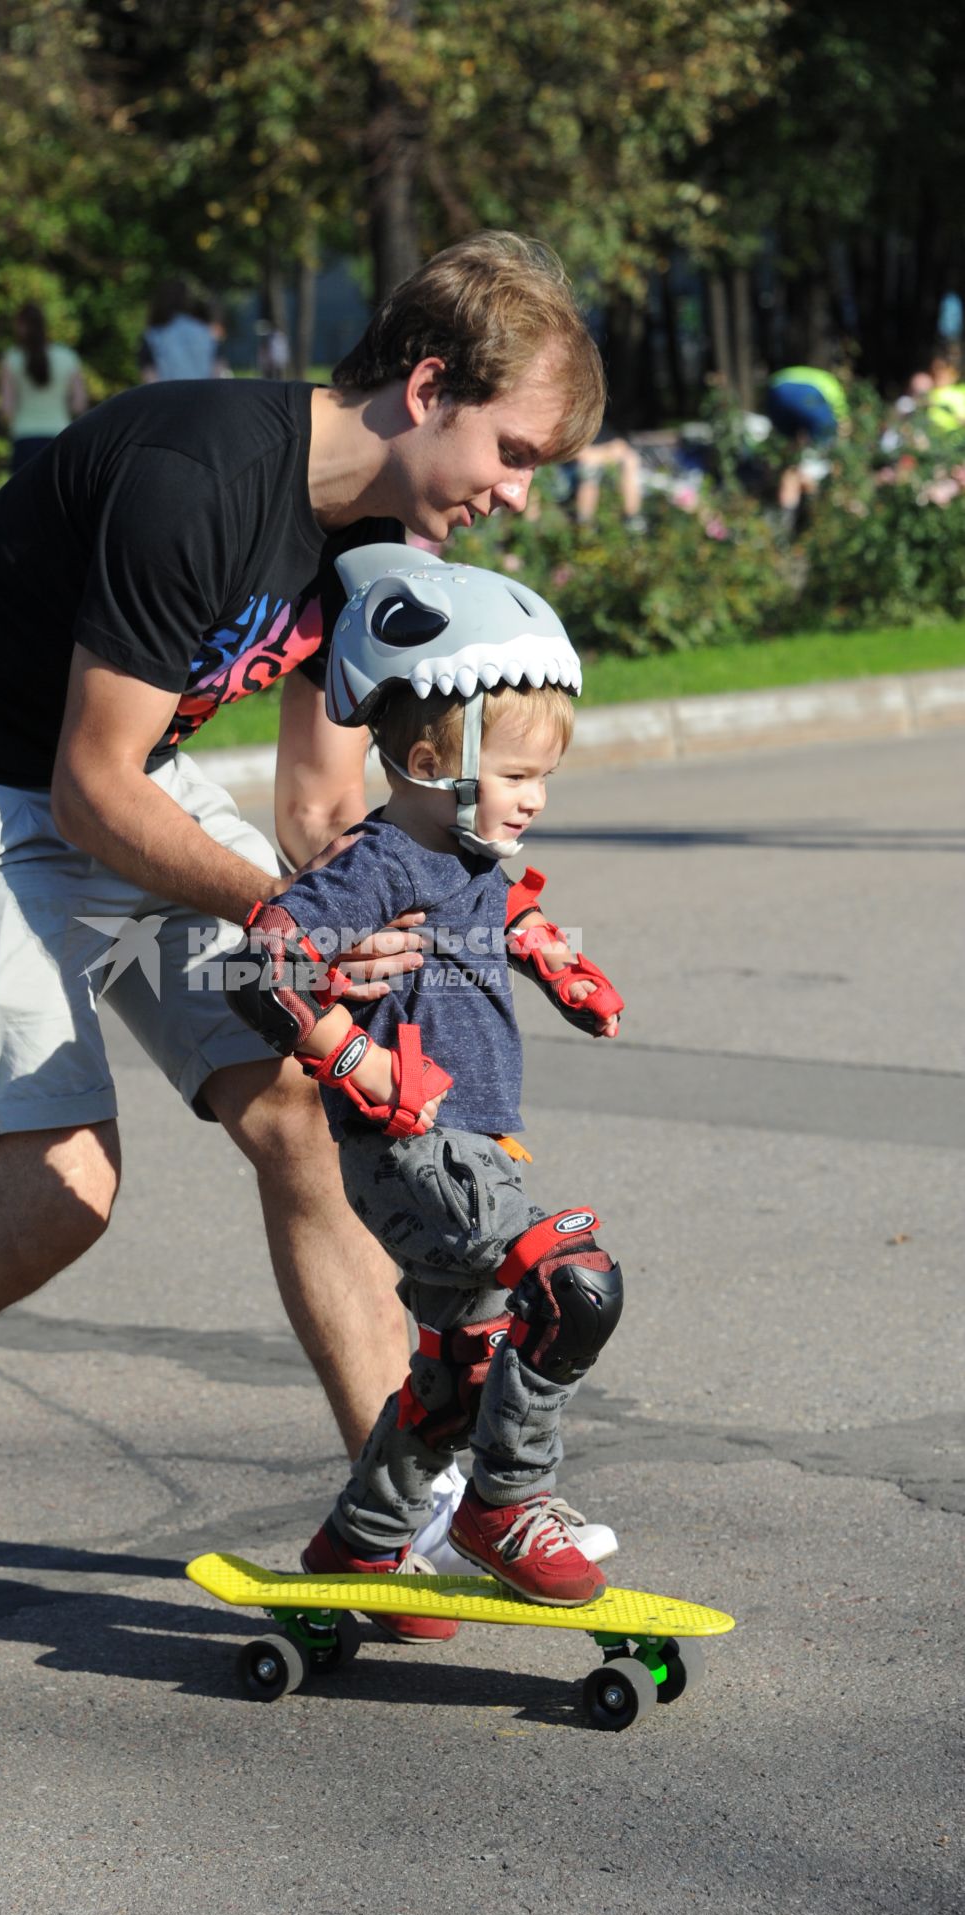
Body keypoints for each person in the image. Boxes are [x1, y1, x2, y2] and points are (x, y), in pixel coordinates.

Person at [0, 230, 607, 1657]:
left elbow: (318, 804)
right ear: (429, 385)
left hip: (115, 786)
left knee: (308, 1099)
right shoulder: (198, 479)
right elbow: (88, 788)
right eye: (516, 448)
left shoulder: (379, 542)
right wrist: (281, 923)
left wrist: (403, 934)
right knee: (59, 1190)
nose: (517, 488)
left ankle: (402, 1491)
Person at [223, 545, 625, 1637]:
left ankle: (360, 1541)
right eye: (520, 777)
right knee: (575, 1287)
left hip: (471, 1143)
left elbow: (493, 915)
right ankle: (505, 1505)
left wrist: (554, 959)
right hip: (412, 1149)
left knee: (456, 1375)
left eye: (544, 778)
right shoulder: (381, 864)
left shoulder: (460, 854)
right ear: (428, 758)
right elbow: (264, 958)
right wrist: (353, 1058)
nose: (537, 800)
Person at [0, 304, 88, 474]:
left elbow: (6, 409)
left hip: (24, 439)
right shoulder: (67, 357)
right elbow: (79, 404)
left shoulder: (11, 359)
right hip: (60, 436)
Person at [764, 362, 850, 527]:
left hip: (774, 390)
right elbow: (843, 424)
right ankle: (816, 510)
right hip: (806, 394)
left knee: (792, 460)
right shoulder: (833, 387)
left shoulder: (816, 377)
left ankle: (785, 516)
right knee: (821, 458)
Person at [139, 280, 222, 382]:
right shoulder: (205, 331)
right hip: (203, 394)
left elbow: (150, 376)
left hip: (169, 394)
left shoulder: (154, 335)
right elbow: (218, 369)